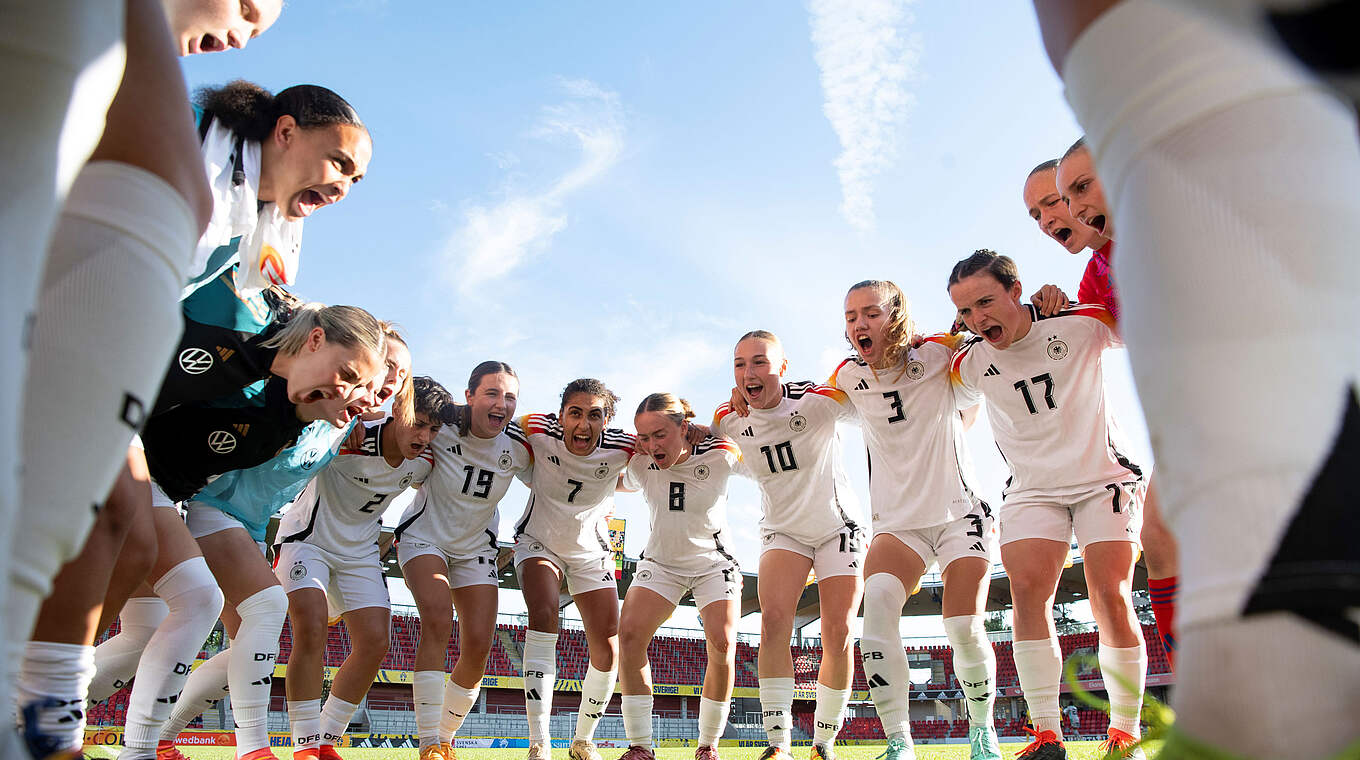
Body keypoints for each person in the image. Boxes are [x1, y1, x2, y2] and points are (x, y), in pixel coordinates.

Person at [1031, 2, 1360, 756]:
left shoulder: (1182, 189)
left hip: (1279, 369)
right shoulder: (1097, 276)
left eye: (1079, 189)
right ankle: (1215, 674)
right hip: (1219, 410)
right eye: (1061, 200)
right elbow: (1105, 338)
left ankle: (1262, 677)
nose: (1073, 207)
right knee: (1165, 533)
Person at [948, 250, 1147, 760]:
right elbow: (923, 378)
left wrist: (1079, 294)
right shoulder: (969, 360)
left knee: (1109, 595)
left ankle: (1125, 734)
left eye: (987, 302)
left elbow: (1131, 320)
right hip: (1033, 489)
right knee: (1027, 596)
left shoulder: (1076, 324)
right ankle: (1046, 735)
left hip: (1102, 477)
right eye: (966, 311)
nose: (978, 319)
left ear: (1017, 290)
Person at [829, 281, 1002, 760]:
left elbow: (985, 370)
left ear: (896, 314)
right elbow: (795, 407)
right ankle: (898, 741)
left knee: (963, 626)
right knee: (877, 614)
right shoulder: (846, 377)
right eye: (850, 317)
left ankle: (982, 730)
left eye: (869, 313)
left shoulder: (939, 356)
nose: (859, 324)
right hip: (897, 526)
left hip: (958, 514)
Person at [1024, 153, 1180, 666]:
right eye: (1039, 213)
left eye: (1059, 200)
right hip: (1188, 419)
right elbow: (1082, 332)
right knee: (1158, 537)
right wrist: (1053, 308)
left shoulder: (1162, 226)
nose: (1051, 218)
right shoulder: (1096, 279)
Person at [277, 375, 445, 760]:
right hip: (308, 541)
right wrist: (346, 417)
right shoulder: (349, 433)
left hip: (360, 554)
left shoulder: (425, 462)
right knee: (312, 628)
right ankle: (303, 744)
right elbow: (307, 412)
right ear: (395, 409)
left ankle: (326, 739)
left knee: (375, 642)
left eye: (433, 428)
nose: (424, 436)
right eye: (418, 422)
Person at [712, 331, 863, 760]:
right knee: (773, 622)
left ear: (782, 366)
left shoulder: (816, 400)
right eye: (740, 365)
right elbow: (710, 441)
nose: (748, 373)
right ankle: (778, 743)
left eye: (759, 362)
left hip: (838, 526)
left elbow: (865, 398)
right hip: (784, 529)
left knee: (839, 631)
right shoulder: (728, 419)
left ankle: (824, 742)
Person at [396, 362, 532, 760]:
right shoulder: (442, 424)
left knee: (478, 646)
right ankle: (426, 744)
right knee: (437, 619)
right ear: (468, 396)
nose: (501, 404)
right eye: (491, 393)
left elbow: (565, 471)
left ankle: (444, 738)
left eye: (509, 397)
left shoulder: (521, 446)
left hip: (476, 549)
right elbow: (403, 414)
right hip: (425, 538)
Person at [614, 393, 743, 760]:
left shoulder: (720, 455)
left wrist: (713, 426)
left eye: (660, 434)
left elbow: (750, 441)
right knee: (630, 636)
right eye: (643, 437)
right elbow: (613, 476)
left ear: (684, 428)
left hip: (713, 563)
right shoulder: (641, 464)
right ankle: (640, 746)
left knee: (721, 644)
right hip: (662, 563)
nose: (651, 445)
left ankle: (708, 746)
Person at [512, 379, 636, 760]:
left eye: (594, 415)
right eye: (576, 413)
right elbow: (494, 431)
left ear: (607, 420)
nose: (583, 424)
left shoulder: (625, 447)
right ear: (561, 415)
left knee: (609, 647)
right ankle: (539, 743)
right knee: (545, 613)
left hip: (591, 552)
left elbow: (663, 448)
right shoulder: (534, 428)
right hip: (539, 541)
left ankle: (582, 741)